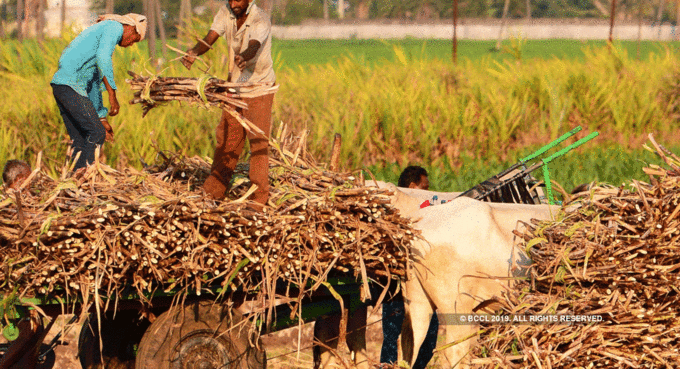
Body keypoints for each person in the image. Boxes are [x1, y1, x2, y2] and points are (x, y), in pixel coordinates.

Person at [181, 0, 276, 207]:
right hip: (235, 85)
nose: (234, 3)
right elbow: (210, 38)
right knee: (226, 140)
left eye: (238, 0)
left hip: (259, 86)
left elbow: (254, 46)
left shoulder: (260, 19)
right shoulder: (226, 13)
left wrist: (243, 57)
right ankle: (213, 193)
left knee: (258, 144)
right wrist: (195, 52)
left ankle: (258, 200)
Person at [51, 13, 147, 170]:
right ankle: (83, 177)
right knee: (96, 134)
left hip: (61, 86)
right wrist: (112, 94)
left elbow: (94, 83)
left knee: (81, 138)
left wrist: (101, 116)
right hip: (70, 86)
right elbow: (103, 58)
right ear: (130, 28)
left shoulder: (102, 34)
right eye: (134, 39)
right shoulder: (114, 27)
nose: (131, 44)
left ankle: (74, 182)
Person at [381, 165, 439, 369]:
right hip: (395, 285)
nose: (430, 192)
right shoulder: (391, 212)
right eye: (426, 187)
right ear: (413, 187)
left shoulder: (426, 216)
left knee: (429, 339)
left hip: (422, 283)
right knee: (391, 337)